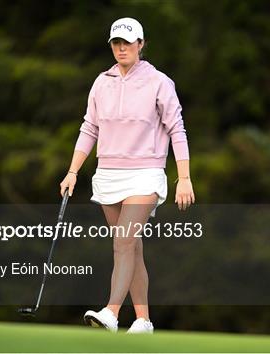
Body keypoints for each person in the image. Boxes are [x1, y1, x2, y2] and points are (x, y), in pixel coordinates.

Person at [59, 17, 195, 334]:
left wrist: (184, 177)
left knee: (123, 240)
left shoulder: (160, 82)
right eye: (116, 43)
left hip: (146, 174)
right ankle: (144, 320)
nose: (121, 48)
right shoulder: (101, 82)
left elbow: (177, 130)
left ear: (141, 44)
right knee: (130, 247)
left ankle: (111, 312)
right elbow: (89, 128)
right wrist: (72, 171)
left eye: (128, 42)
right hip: (108, 174)